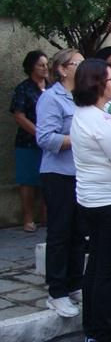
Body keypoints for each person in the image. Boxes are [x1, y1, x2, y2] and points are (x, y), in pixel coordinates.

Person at [70, 58, 111, 342]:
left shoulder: (85, 115)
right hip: (109, 203)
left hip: (91, 200)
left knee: (95, 268)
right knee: (106, 271)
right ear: (97, 84)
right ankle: (103, 337)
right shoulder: (102, 124)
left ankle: (92, 331)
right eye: (110, 78)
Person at [36, 48, 86, 318]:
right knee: (60, 233)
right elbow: (46, 138)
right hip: (59, 174)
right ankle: (56, 291)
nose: (82, 67)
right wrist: (79, 138)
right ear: (63, 69)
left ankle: (75, 282)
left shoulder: (82, 98)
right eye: (77, 63)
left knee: (79, 232)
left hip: (81, 173)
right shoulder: (50, 98)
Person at [10, 50, 48, 232]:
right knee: (28, 180)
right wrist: (38, 133)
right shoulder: (23, 88)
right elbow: (19, 115)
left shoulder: (52, 86)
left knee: (47, 179)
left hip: (50, 143)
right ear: (31, 67)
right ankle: (28, 217)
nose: (45, 68)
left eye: (46, 64)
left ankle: (46, 215)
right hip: (28, 141)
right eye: (41, 65)